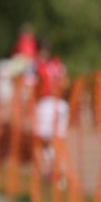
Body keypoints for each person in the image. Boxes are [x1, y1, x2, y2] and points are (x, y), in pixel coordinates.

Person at [33, 39, 69, 179]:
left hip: (45, 104)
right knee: (58, 142)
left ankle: (48, 171)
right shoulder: (59, 65)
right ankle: (60, 172)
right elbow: (66, 83)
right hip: (62, 105)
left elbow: (32, 85)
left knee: (44, 141)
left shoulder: (37, 66)